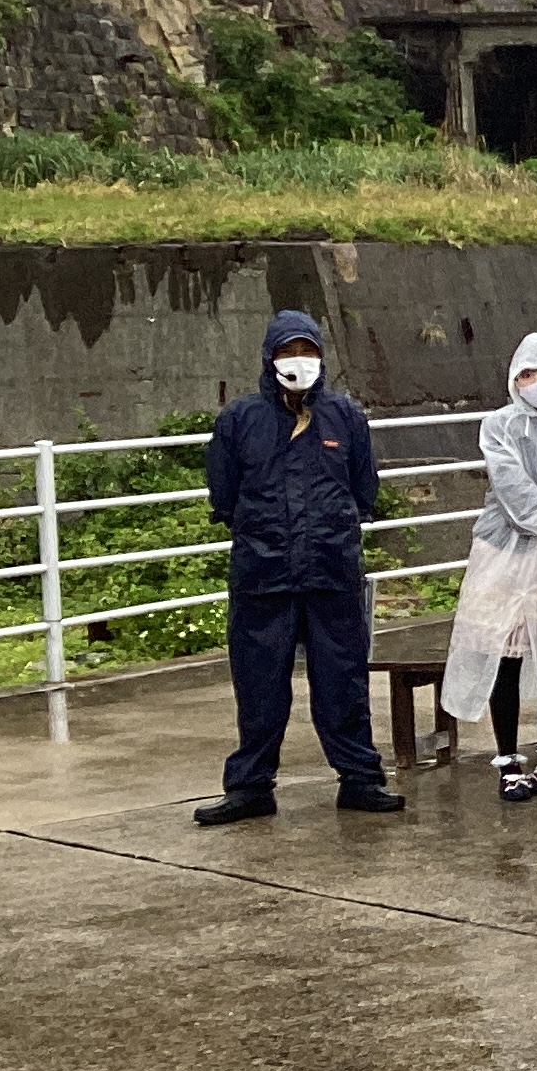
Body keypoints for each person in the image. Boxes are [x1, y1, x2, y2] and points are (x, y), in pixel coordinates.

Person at [197, 312, 396, 825]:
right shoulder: (239, 419)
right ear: (269, 357)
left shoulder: (344, 416)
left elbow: (363, 488)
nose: (298, 362)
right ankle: (250, 787)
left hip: (331, 570)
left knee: (343, 681)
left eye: (307, 351)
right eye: (288, 352)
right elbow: (223, 496)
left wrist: (336, 529)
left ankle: (360, 778)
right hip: (262, 575)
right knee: (259, 683)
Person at [442, 333, 537, 799]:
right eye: (525, 375)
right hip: (506, 552)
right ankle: (508, 758)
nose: (536, 383)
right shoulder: (500, 425)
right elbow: (511, 487)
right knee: (505, 649)